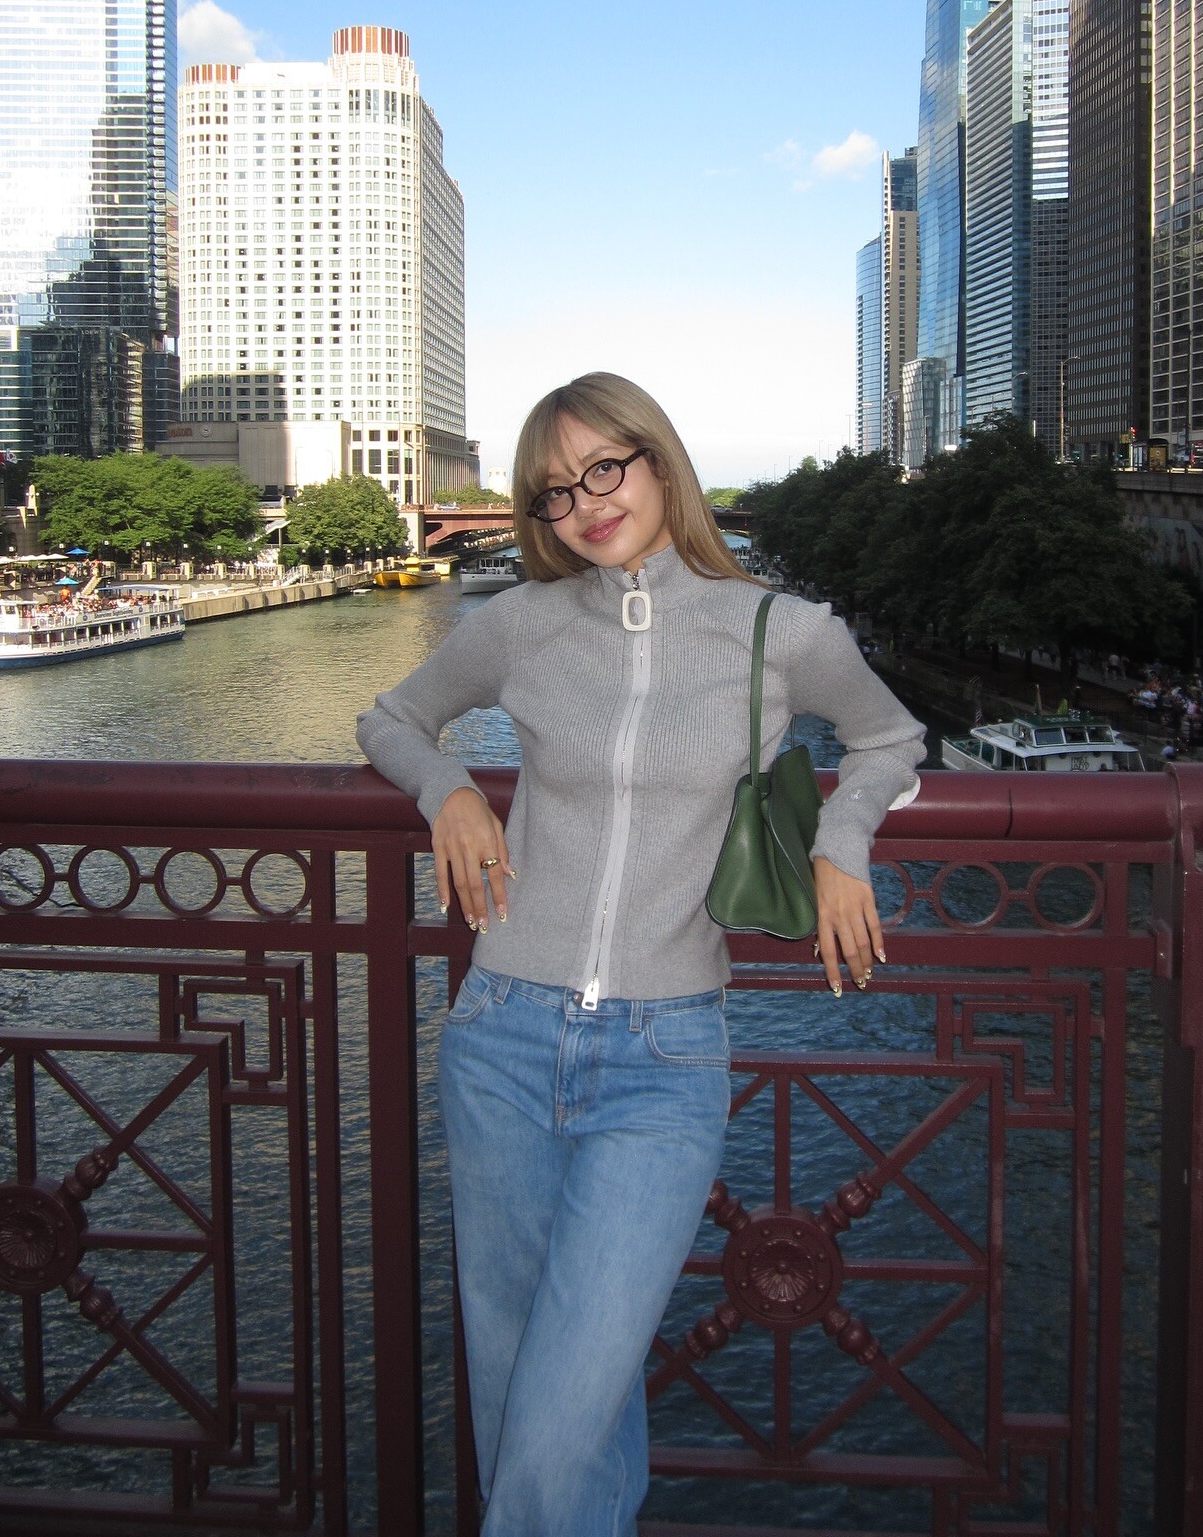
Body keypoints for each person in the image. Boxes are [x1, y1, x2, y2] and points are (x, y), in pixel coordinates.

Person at [357, 372, 926, 1536]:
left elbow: (890, 737)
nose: (584, 505)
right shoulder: (521, 624)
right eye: (554, 492)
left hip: (665, 1058)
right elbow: (391, 717)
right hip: (501, 1036)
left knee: (567, 1399)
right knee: (532, 1385)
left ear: (659, 461)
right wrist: (449, 791)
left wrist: (842, 843)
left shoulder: (779, 631)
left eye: (603, 469)